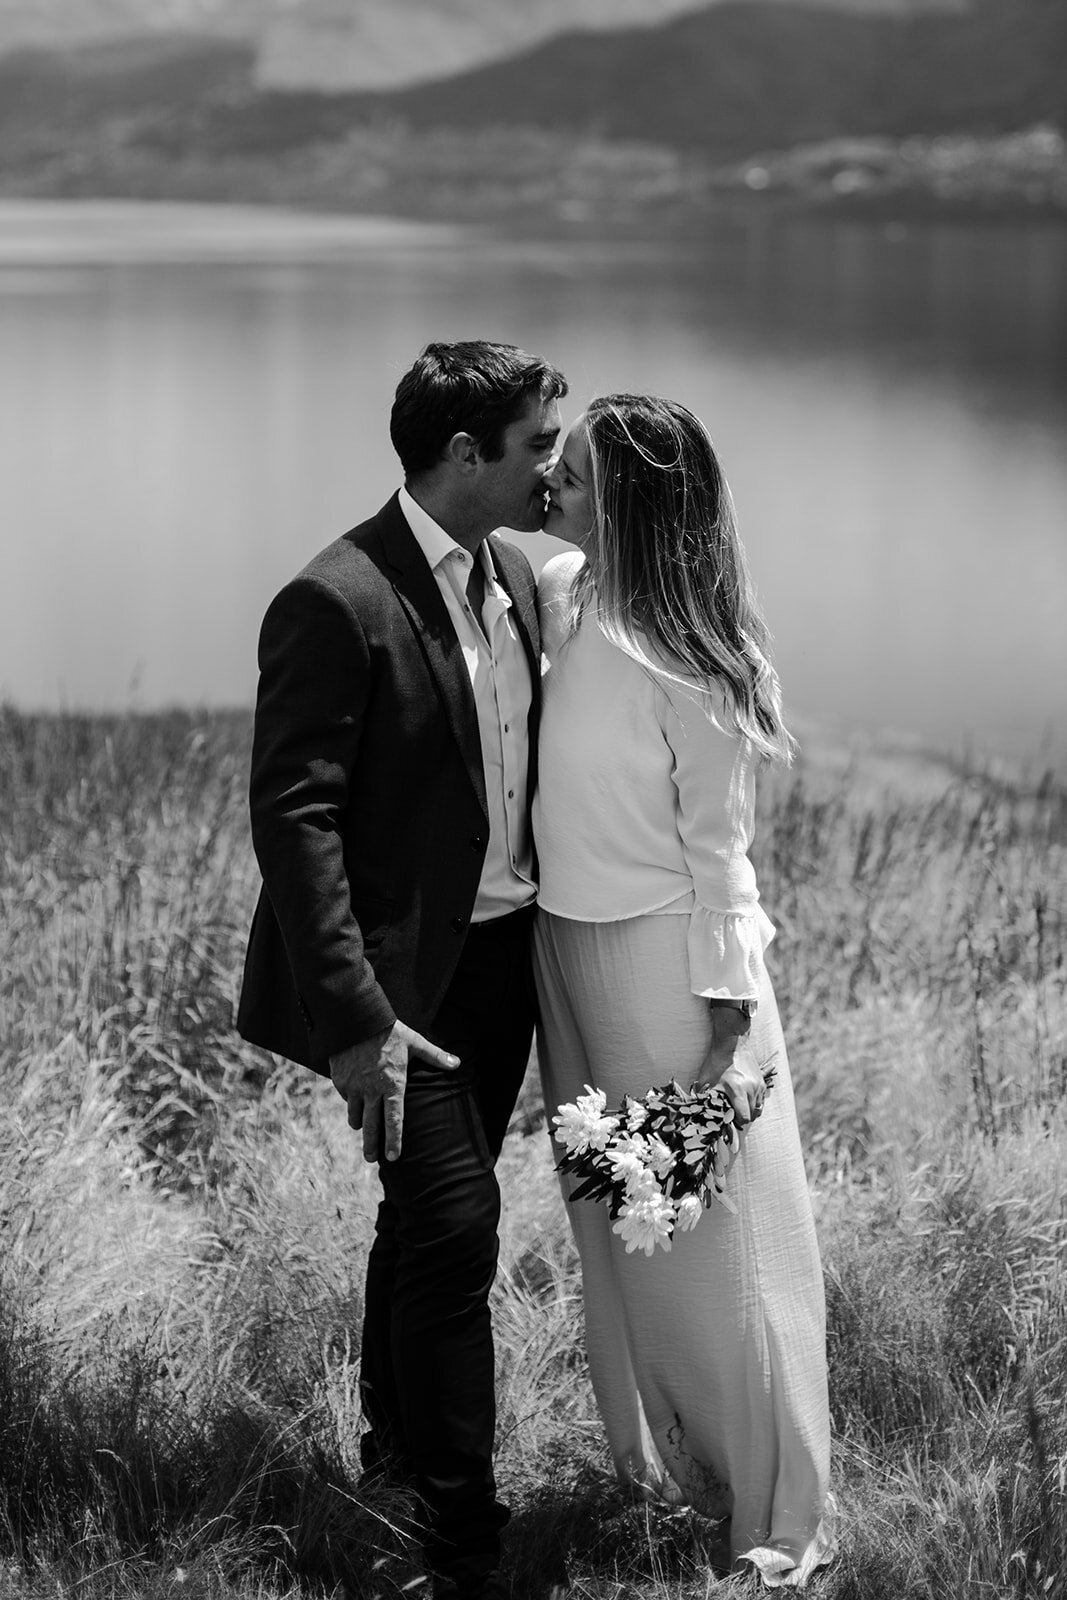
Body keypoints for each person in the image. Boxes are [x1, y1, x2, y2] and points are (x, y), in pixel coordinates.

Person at [236, 340, 566, 1600]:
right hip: (400, 997)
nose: (553, 467)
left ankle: (387, 1454)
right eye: (537, 445)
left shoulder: (519, 581)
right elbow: (295, 822)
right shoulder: (336, 597)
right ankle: (461, 1538)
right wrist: (357, 1020)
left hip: (497, 967)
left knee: (422, 1228)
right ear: (462, 453)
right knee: (459, 1227)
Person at [533, 394, 835, 1588]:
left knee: (724, 1249)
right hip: (566, 961)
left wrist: (725, 1023)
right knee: (618, 1232)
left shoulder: (697, 660)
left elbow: (720, 854)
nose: (550, 479)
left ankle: (777, 1515)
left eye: (572, 470)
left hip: (674, 972)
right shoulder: (560, 594)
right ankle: (655, 1474)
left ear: (631, 501)